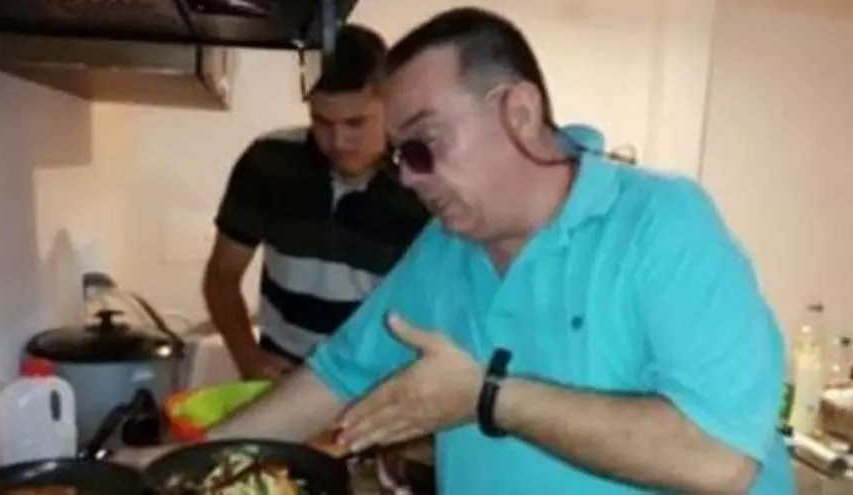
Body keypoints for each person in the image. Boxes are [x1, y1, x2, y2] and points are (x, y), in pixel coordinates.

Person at [214, 7, 794, 494]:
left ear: (518, 113)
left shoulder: (660, 223)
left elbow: (720, 458)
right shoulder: (446, 247)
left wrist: (490, 397)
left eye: (424, 144)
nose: (408, 177)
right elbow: (335, 377)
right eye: (400, 154)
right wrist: (186, 463)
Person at [203, 24, 430, 381]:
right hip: (282, 381)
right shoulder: (268, 163)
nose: (338, 141)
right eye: (321, 122)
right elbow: (222, 276)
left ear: (390, 104)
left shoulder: (425, 183)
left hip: (378, 389)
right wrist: (249, 360)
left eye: (355, 123)